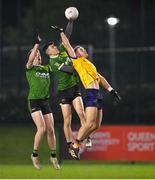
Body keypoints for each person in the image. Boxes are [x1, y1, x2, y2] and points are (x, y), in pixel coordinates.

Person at [42, 25, 91, 159]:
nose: (55, 47)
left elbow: (66, 37)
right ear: (48, 52)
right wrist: (78, 64)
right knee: (67, 120)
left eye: (54, 45)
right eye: (52, 47)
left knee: (81, 112)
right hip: (63, 92)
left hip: (74, 88)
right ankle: (70, 145)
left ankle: (86, 136)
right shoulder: (53, 63)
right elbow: (69, 70)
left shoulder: (62, 51)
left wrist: (69, 22)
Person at [69, 45, 121, 159]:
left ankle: (78, 142)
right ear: (76, 54)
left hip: (98, 94)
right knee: (89, 123)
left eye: (83, 49)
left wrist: (111, 90)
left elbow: (100, 77)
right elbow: (68, 46)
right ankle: (75, 145)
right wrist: (63, 34)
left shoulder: (89, 64)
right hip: (91, 93)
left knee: (96, 126)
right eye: (81, 50)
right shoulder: (77, 61)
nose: (84, 50)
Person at [26, 33, 60, 170]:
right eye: (35, 55)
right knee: (42, 128)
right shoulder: (30, 68)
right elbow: (31, 58)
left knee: (51, 130)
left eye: (39, 55)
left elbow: (56, 65)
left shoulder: (46, 68)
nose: (38, 56)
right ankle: (34, 155)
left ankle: (53, 157)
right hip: (34, 101)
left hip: (45, 101)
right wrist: (37, 45)